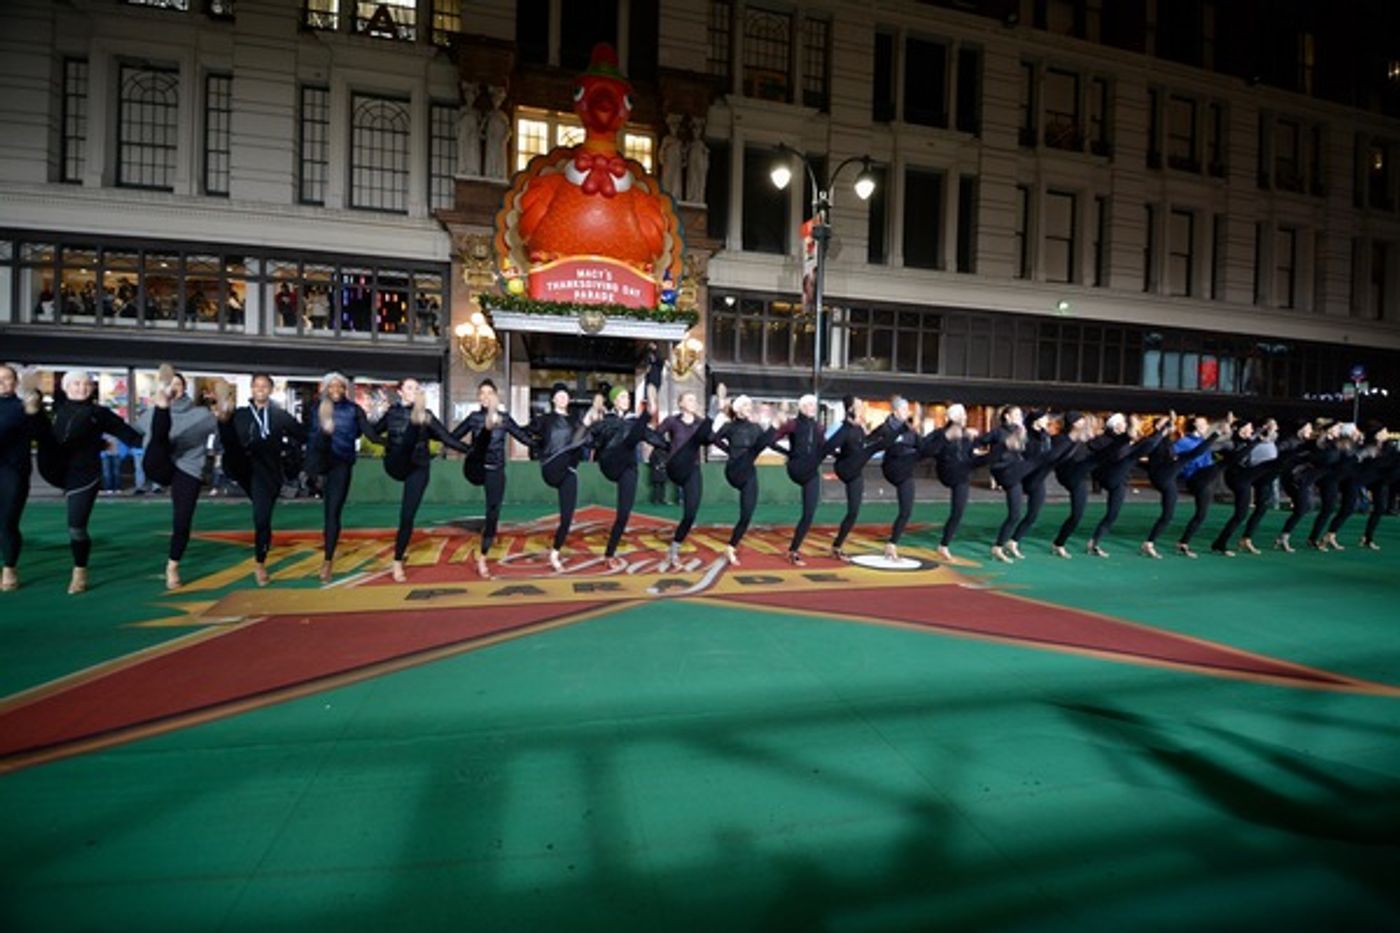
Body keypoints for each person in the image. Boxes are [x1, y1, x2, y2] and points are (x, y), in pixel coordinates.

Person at [33, 371, 145, 594]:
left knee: (76, 526)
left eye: (86, 384)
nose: (81, 387)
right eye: (76, 383)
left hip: (84, 475)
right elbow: (38, 431)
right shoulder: (54, 410)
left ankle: (79, 570)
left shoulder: (99, 413)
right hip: (54, 470)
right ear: (66, 387)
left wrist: (158, 447)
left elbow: (129, 435)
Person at [375, 377, 473, 582]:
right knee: (405, 440)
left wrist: (470, 450)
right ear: (401, 392)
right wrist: (387, 443)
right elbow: (371, 432)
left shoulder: (426, 416)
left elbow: (446, 437)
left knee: (407, 516)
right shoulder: (392, 414)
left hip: (418, 466)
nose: (415, 391)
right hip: (396, 462)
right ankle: (401, 446)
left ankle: (397, 560)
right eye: (410, 388)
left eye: (418, 388)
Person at [216, 372, 308, 586]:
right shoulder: (240, 414)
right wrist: (225, 420)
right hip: (243, 466)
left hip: (268, 473)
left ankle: (260, 562)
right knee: (233, 444)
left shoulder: (279, 415)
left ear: (270, 390)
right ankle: (222, 414)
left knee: (262, 518)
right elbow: (225, 441)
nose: (260, 389)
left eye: (264, 386)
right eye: (256, 386)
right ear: (251, 389)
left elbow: (302, 435)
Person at [138, 366, 217, 590]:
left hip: (188, 468)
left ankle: (173, 565)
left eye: (178, 385)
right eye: (170, 384)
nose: (175, 388)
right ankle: (163, 408)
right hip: (159, 463)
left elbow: (223, 430)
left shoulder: (201, 415)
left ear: (184, 389)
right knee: (159, 438)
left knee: (182, 519)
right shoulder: (149, 413)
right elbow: (133, 434)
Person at [448, 379, 533, 579]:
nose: (485, 396)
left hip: (496, 470)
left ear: (496, 396)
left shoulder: (504, 419)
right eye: (482, 393)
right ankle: (487, 539)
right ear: (479, 397)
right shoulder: (473, 418)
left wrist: (544, 445)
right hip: (477, 468)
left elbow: (523, 437)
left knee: (493, 512)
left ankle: (482, 557)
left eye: (489, 392)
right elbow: (452, 437)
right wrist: (468, 450)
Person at [307, 372, 386, 583]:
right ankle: (328, 556)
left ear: (344, 389)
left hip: (341, 464)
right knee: (327, 510)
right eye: (331, 386)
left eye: (339, 386)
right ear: (325, 388)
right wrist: (310, 468)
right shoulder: (316, 408)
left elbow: (371, 435)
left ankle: (327, 561)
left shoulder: (353, 410)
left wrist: (395, 442)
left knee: (332, 512)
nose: (335, 390)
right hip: (320, 463)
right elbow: (309, 437)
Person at [588, 384, 657, 569]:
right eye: (623, 397)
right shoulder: (607, 421)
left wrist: (672, 448)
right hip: (610, 463)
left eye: (628, 397)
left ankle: (609, 553)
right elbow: (590, 439)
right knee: (633, 432)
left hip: (628, 467)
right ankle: (648, 413)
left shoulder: (633, 422)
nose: (627, 400)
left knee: (624, 514)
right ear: (615, 401)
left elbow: (653, 437)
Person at [527, 383, 591, 572]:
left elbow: (588, 440)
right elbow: (525, 432)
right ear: (553, 399)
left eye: (566, 395)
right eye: (559, 395)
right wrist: (537, 451)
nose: (563, 398)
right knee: (569, 448)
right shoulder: (545, 420)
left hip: (568, 472)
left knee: (567, 519)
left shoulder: (575, 421)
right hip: (551, 467)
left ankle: (555, 554)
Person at [1086, 414, 1169, 557]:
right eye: (1124, 424)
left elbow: (1143, 445)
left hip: (1119, 480)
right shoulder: (1103, 440)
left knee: (1113, 514)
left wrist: (1158, 431)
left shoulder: (1127, 441)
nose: (1125, 427)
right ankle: (1160, 433)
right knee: (1133, 456)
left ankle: (1094, 542)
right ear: (1117, 426)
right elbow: (1098, 450)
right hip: (1108, 474)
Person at [710, 395, 776, 566]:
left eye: (750, 405)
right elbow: (713, 438)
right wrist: (729, 451)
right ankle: (774, 428)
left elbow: (770, 444)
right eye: (745, 405)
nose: (749, 407)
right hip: (734, 469)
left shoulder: (755, 428)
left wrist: (790, 454)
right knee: (752, 451)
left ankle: (731, 547)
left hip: (748, 471)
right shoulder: (729, 427)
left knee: (747, 514)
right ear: (738, 409)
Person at [1141, 415, 1220, 559]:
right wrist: (1217, 434)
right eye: (1165, 424)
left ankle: (1154, 543)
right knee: (1198, 458)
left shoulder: (1168, 440)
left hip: (1172, 477)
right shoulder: (1158, 440)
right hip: (1174, 475)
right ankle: (1152, 543)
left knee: (1171, 514)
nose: (1170, 426)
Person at [771, 393, 835, 565]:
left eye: (813, 406)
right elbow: (771, 440)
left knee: (809, 514)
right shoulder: (792, 424)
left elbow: (824, 447)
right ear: (801, 408)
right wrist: (788, 453)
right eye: (808, 405)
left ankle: (793, 550)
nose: (811, 408)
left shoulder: (819, 427)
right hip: (796, 468)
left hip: (811, 471)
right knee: (811, 459)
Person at [653, 391, 713, 572]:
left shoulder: (700, 423)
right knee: (689, 446)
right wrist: (668, 449)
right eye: (689, 399)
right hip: (676, 466)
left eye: (695, 399)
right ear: (680, 403)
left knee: (691, 514)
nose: (693, 402)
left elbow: (711, 439)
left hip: (692, 469)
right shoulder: (672, 421)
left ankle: (674, 550)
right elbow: (656, 435)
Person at [827, 395, 888, 561]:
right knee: (873, 448)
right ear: (850, 409)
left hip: (856, 470)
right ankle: (890, 434)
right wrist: (838, 456)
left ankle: (836, 546)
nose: (862, 408)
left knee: (853, 512)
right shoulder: (842, 428)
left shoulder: (859, 427)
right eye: (859, 406)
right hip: (845, 468)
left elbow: (862, 443)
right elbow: (827, 445)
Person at [0, 364, 44, 592]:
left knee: (7, 522)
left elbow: (40, 433)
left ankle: (9, 567)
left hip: (13, 472)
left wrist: (33, 410)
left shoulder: (23, 407)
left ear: (15, 382)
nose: (3, 383)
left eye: (8, 378)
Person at [874, 396, 934, 563]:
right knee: (907, 454)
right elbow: (878, 444)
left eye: (908, 409)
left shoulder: (910, 430)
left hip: (906, 469)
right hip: (892, 467)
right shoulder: (886, 428)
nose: (907, 412)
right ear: (895, 411)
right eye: (904, 409)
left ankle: (892, 544)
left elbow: (922, 447)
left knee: (906, 510)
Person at [929, 403, 990, 562]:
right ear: (954, 418)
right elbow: (929, 449)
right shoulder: (940, 434)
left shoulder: (966, 435)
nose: (965, 417)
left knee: (958, 511)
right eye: (961, 415)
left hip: (961, 473)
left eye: (964, 414)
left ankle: (944, 545)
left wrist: (976, 447)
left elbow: (969, 455)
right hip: (948, 472)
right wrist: (947, 437)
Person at [1050, 412, 1107, 559]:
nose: (1085, 424)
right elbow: (1057, 456)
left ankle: (1058, 543)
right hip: (1068, 472)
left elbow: (1098, 445)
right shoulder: (1060, 439)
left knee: (1077, 515)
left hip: (1080, 476)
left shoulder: (1085, 440)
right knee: (1090, 462)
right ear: (1073, 423)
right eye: (1081, 421)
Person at [1007, 410, 1063, 557]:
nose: (1047, 421)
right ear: (1036, 421)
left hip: (1039, 478)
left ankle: (1014, 541)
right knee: (1014, 514)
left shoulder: (1046, 436)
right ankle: (1000, 542)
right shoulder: (1026, 436)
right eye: (1044, 418)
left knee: (1033, 514)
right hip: (1024, 476)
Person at [1210, 419, 1266, 557]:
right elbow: (1213, 448)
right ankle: (1220, 543)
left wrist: (1262, 431)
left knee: (1242, 514)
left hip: (1246, 477)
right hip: (1237, 478)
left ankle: (1223, 542)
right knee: (1240, 514)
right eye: (1248, 428)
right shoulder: (1231, 443)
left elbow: (1258, 437)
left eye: (1251, 429)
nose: (1251, 431)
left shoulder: (1248, 441)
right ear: (1239, 429)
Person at [1175, 414, 1227, 558]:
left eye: (1206, 423)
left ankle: (1183, 542)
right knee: (1222, 464)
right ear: (1194, 426)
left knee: (1201, 514)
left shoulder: (1203, 440)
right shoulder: (1185, 441)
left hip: (1207, 479)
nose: (1206, 426)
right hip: (1195, 477)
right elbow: (1172, 452)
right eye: (1202, 424)